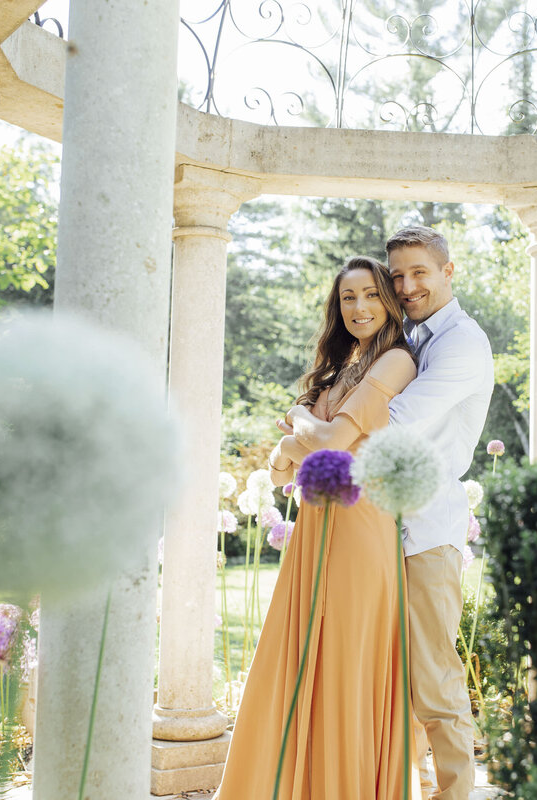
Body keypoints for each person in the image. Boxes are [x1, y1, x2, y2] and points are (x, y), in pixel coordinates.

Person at [289, 226, 494, 800]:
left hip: (425, 528)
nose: (407, 286)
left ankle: (453, 794)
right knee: (385, 682)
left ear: (448, 271)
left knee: (433, 680)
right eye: (397, 276)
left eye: (419, 273)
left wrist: (308, 424)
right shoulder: (410, 338)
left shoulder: (460, 344)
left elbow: (392, 420)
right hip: (377, 529)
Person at [214, 256, 418, 800]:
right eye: (348, 298)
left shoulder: (397, 360)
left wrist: (300, 424)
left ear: (390, 302)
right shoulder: (336, 370)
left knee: (347, 661)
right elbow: (282, 468)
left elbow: (326, 444)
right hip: (313, 527)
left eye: (372, 295)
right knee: (299, 655)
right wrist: (296, 439)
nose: (360, 308)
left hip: (361, 527)